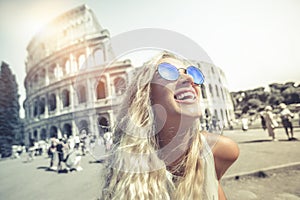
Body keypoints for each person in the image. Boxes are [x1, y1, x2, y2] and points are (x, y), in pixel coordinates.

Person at [100, 51, 239, 200]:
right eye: (168, 72)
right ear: (148, 97)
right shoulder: (125, 167)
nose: (189, 78)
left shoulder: (221, 150)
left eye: (192, 73)